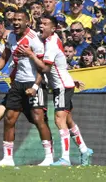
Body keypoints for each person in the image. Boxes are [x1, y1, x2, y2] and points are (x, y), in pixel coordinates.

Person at [0, 9, 53, 166]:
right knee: (9, 119)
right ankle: (7, 159)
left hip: (34, 83)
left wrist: (36, 87)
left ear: (27, 22)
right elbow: (5, 56)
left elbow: (43, 68)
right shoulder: (11, 37)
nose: (16, 22)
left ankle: (49, 157)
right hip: (17, 84)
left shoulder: (35, 40)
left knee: (39, 119)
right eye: (14, 20)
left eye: (19, 20)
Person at [18, 15, 93, 166]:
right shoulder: (50, 38)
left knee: (59, 120)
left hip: (61, 87)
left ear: (53, 29)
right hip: (65, 83)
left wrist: (31, 54)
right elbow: (61, 65)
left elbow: (45, 68)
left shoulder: (51, 44)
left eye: (45, 24)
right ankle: (85, 150)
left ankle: (65, 158)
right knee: (68, 120)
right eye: (40, 23)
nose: (41, 26)